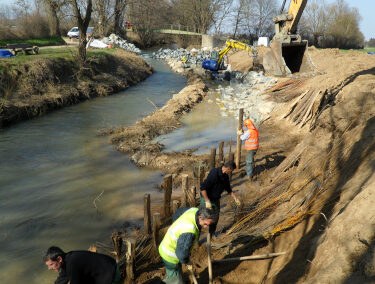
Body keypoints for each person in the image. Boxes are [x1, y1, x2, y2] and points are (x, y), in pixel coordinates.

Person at [159, 207, 217, 284]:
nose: (205, 227)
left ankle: (171, 278)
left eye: (208, 225)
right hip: (170, 255)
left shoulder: (194, 211)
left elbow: (178, 212)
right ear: (200, 217)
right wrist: (187, 262)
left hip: (168, 245)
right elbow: (181, 254)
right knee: (176, 281)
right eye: (205, 224)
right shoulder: (189, 231)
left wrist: (177, 229)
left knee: (175, 272)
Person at [199, 161, 241, 235]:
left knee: (215, 218)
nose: (231, 172)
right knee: (203, 217)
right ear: (228, 168)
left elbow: (228, 188)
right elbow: (203, 188)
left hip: (216, 199)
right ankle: (197, 238)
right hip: (206, 198)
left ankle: (211, 235)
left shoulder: (225, 177)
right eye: (231, 170)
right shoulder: (214, 174)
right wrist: (207, 201)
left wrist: (235, 198)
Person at [44, 246, 121, 284]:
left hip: (112, 272)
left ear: (59, 259)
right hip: (109, 266)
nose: (49, 268)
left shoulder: (71, 265)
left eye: (51, 264)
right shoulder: (67, 260)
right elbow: (62, 279)